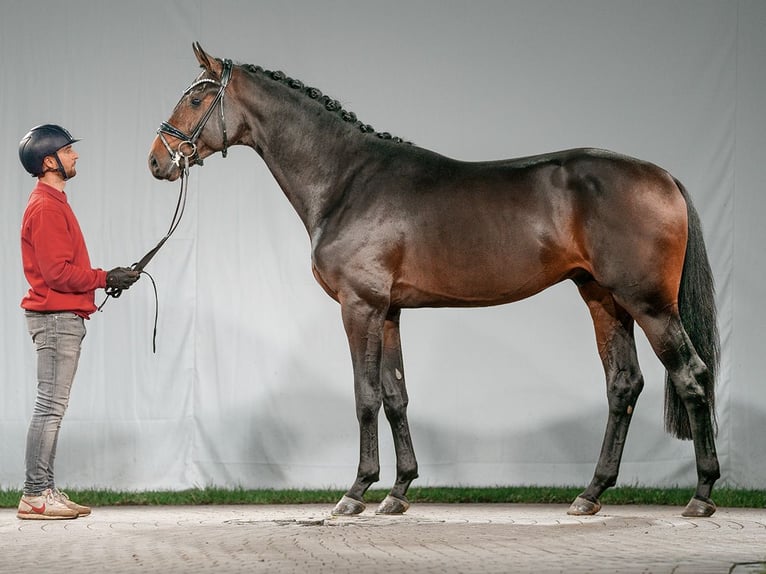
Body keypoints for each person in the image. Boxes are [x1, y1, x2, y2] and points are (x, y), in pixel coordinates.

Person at [16, 124, 139, 520]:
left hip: (61, 317)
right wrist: (105, 278)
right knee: (49, 407)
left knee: (53, 407)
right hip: (55, 319)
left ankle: (44, 489)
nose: (75, 156)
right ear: (49, 161)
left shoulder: (54, 201)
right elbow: (56, 273)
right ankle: (35, 494)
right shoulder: (47, 206)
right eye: (68, 151)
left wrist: (105, 279)